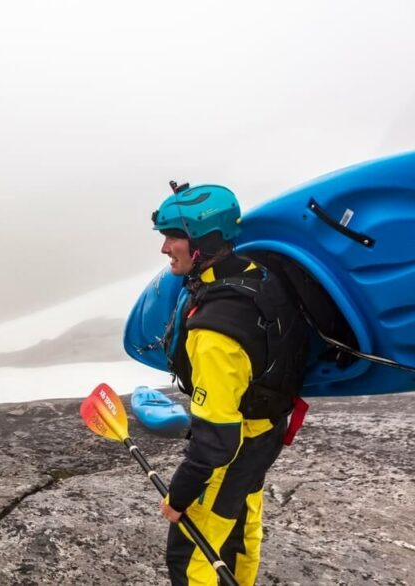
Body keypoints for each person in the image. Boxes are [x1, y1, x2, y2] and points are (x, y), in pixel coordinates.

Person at [151, 182, 309, 585]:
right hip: (264, 437)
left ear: (202, 242)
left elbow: (215, 443)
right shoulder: (262, 277)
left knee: (191, 559)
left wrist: (179, 496)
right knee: (238, 534)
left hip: (235, 447)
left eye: (174, 238)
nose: (165, 249)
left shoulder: (215, 334)